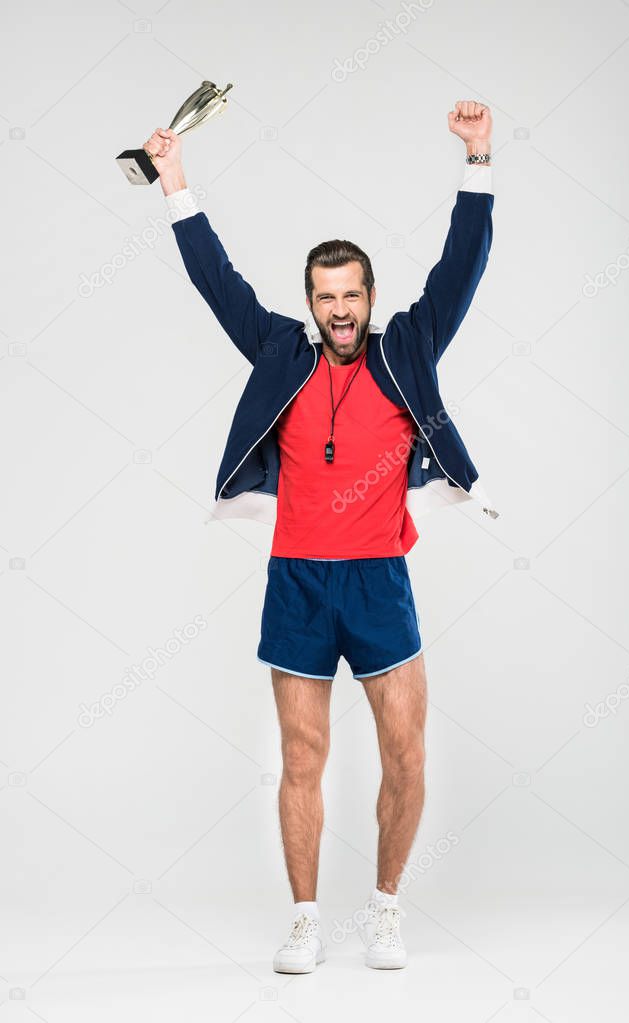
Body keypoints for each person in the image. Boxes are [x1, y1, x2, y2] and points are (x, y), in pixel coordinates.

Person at [143, 100, 495, 973]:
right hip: (296, 579)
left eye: (351, 296)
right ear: (310, 301)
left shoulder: (406, 348)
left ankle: (383, 908)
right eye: (325, 297)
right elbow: (215, 280)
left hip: (380, 579)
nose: (339, 310)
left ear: (369, 298)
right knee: (300, 756)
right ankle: (304, 919)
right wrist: (176, 183)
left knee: (406, 753)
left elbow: (461, 267)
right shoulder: (278, 351)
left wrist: (477, 161)